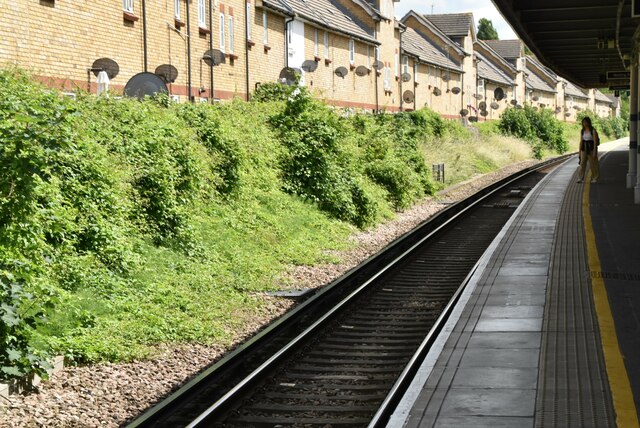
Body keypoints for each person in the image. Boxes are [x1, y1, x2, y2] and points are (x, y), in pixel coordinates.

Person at [577, 117, 600, 183]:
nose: (585, 123)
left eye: (586, 122)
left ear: (589, 122)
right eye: (583, 122)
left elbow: (595, 142)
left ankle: (595, 177)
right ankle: (580, 178)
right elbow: (581, 141)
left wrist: (595, 152)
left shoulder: (593, 130)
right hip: (584, 148)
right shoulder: (582, 131)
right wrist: (579, 152)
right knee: (582, 163)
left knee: (593, 163)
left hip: (591, 148)